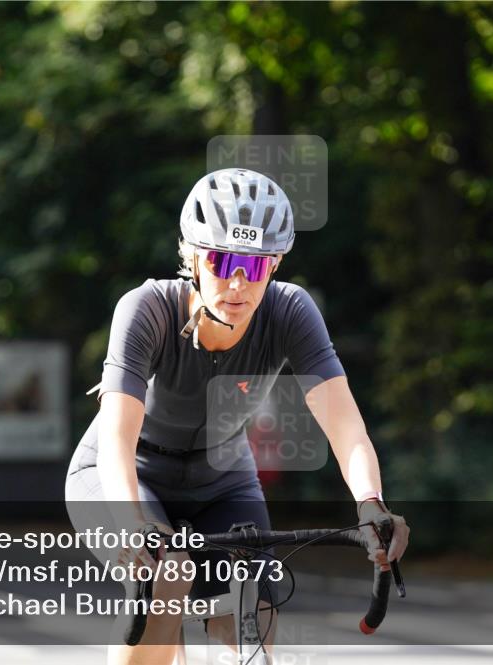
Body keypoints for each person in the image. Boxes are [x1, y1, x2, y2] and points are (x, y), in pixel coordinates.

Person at [65, 168, 409, 665]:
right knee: (168, 576)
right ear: (194, 257)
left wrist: (371, 503)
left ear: (276, 265)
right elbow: (118, 437)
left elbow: (345, 425)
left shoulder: (291, 311)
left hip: (222, 478)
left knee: (254, 619)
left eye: (257, 264)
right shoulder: (147, 309)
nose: (239, 282)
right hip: (127, 473)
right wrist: (129, 522)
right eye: (223, 260)